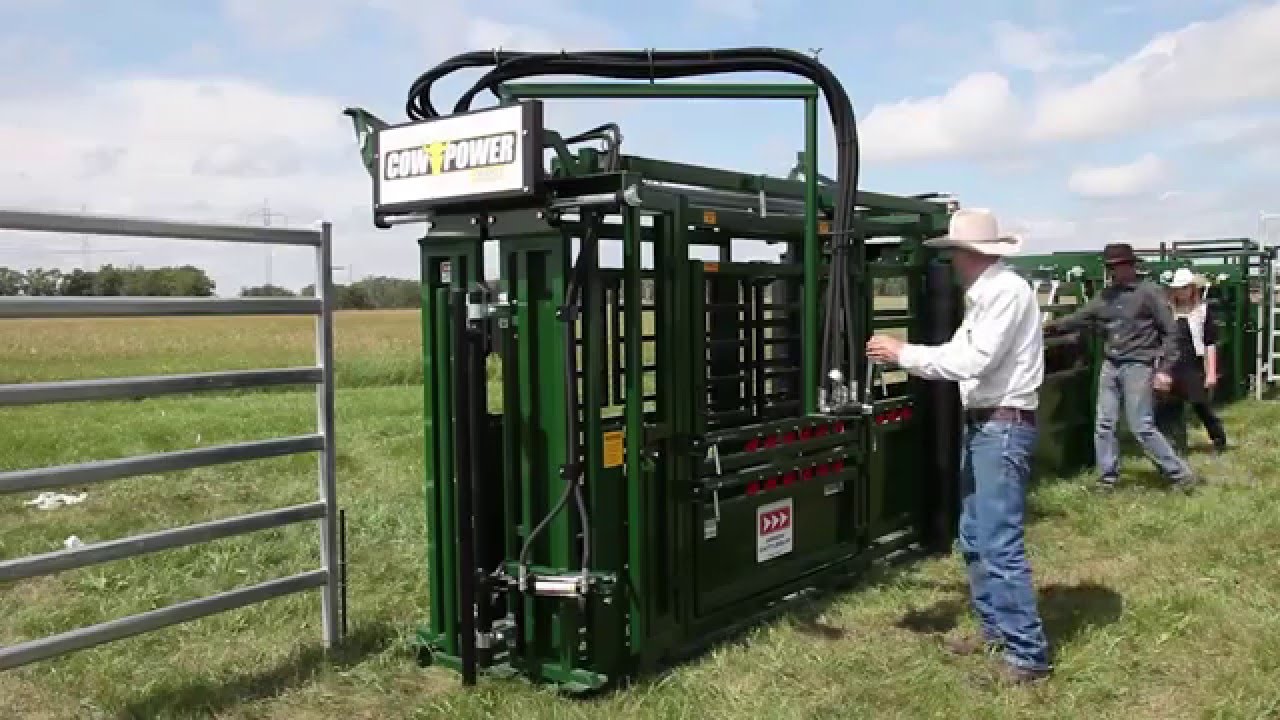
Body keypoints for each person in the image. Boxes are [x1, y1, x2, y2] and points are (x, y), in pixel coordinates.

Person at [866, 208, 1050, 684]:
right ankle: (996, 632)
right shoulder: (986, 293)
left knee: (999, 540)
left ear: (967, 253)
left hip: (1002, 425)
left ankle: (1027, 655)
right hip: (988, 423)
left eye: (951, 252)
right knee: (974, 534)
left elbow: (974, 359)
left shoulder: (1005, 293)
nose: (947, 262)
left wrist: (902, 353)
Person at [1044, 243, 1197, 493]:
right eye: (1111, 267)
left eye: (1119, 266)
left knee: (1141, 426)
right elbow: (1081, 317)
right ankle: (1107, 478)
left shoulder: (1149, 293)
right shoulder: (1106, 296)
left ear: (1131, 266)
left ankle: (1180, 475)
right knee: (1105, 423)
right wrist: (1049, 328)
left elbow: (1171, 332)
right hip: (1112, 363)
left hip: (1139, 364)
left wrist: (1164, 369)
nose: (1116, 271)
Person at [1154, 268, 1228, 454]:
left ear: (1192, 289)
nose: (1181, 292)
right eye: (1178, 288)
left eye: (1185, 287)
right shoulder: (1166, 311)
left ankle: (1218, 438)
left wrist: (1211, 372)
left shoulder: (1203, 311)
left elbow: (1209, 343)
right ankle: (1175, 445)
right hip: (1170, 363)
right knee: (1169, 406)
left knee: (1200, 404)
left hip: (1192, 362)